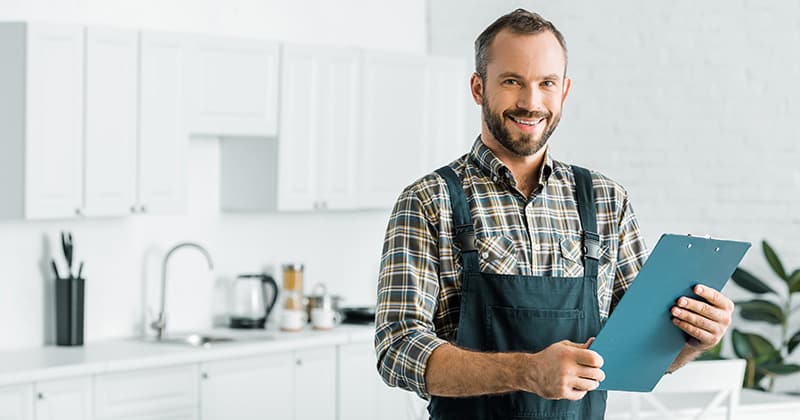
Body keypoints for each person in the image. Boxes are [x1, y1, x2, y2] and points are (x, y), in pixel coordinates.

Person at [374, 8, 734, 420]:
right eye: (512, 81)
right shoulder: (429, 199)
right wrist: (527, 372)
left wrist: (691, 341)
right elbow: (396, 349)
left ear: (564, 91)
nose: (531, 102)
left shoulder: (605, 199)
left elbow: (636, 351)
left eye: (546, 83)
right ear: (478, 88)